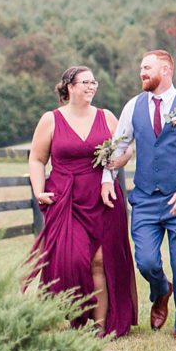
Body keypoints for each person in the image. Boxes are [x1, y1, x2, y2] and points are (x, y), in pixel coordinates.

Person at [105, 50, 176, 340]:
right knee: (147, 261)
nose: (141, 72)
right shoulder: (133, 106)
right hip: (144, 200)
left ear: (165, 70)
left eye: (147, 67)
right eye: (140, 67)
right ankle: (161, 290)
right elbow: (118, 146)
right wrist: (107, 177)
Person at [27, 66, 138, 337]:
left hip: (103, 198)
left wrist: (119, 161)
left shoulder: (106, 117)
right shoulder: (51, 120)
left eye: (93, 82)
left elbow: (127, 147)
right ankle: (77, 315)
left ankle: (100, 326)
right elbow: (37, 159)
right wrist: (39, 190)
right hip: (66, 197)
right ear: (69, 86)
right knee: (72, 260)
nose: (91, 86)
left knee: (101, 260)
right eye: (85, 82)